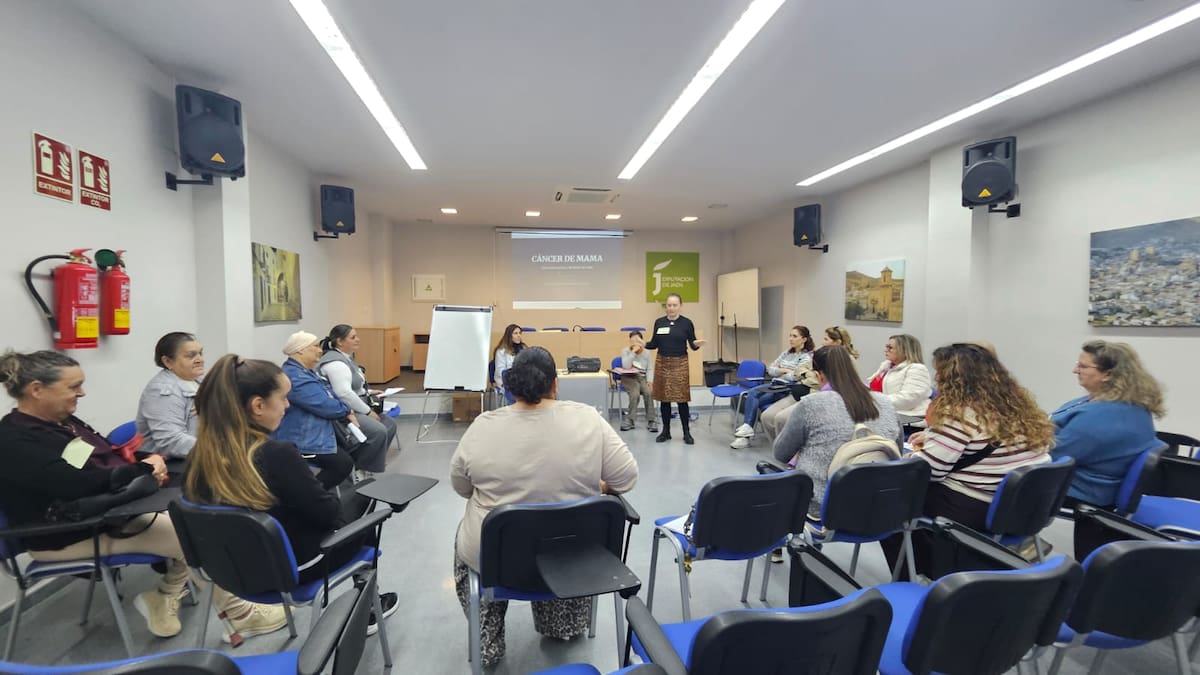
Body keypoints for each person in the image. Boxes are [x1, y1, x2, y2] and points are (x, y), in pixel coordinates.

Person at [0, 350, 285, 642]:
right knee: (197, 534)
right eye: (73, 387)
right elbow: (75, 484)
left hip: (104, 514)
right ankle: (242, 616)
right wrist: (140, 470)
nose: (81, 393)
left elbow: (106, 457)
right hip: (62, 534)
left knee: (191, 515)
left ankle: (163, 598)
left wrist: (150, 460)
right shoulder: (14, 440)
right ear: (36, 389)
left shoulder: (64, 424)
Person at [450, 347, 638, 668]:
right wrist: (599, 485)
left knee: (468, 540)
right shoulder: (587, 418)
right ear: (555, 385)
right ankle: (561, 624)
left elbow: (462, 487)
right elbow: (626, 477)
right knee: (559, 531)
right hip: (572, 555)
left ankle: (487, 640)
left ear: (513, 385)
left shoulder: (483, 426)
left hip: (498, 560)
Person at [184, 355, 398, 636]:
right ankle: (368, 606)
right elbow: (329, 515)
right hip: (292, 568)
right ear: (258, 406)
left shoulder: (199, 457)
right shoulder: (275, 455)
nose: (287, 406)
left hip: (228, 570)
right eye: (283, 399)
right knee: (366, 502)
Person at [882, 343, 1054, 577]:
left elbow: (930, 471)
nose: (937, 379)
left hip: (972, 506)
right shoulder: (1017, 407)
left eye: (940, 372)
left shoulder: (960, 412)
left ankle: (919, 577)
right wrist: (935, 437)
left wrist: (914, 455)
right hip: (1019, 505)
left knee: (888, 504)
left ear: (954, 378)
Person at [1049, 340, 1164, 559]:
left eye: (1083, 366)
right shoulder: (1123, 403)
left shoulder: (1101, 417)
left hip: (1084, 489)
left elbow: (1051, 455)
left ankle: (996, 547)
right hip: (1095, 480)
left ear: (1108, 374)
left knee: (989, 480)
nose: (1075, 370)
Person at [773, 345, 901, 516]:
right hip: (877, 508)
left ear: (819, 375)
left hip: (821, 506)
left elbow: (781, 453)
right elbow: (896, 452)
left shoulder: (811, 404)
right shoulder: (886, 403)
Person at [274, 331, 355, 488]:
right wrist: (347, 410)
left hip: (313, 433)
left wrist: (344, 409)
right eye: (316, 346)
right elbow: (327, 406)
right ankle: (308, 496)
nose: (320, 350)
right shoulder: (295, 377)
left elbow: (330, 395)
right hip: (302, 444)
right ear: (300, 350)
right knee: (342, 464)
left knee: (352, 445)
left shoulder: (305, 372)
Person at [318, 324, 395, 480]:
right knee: (378, 431)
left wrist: (369, 392)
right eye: (353, 337)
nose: (358, 340)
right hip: (344, 412)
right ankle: (360, 469)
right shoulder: (335, 363)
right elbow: (344, 393)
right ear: (340, 341)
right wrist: (368, 411)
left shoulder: (347, 358)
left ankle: (365, 462)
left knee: (390, 425)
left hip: (356, 404)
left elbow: (353, 385)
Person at [761, 325, 856, 443]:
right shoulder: (821, 353)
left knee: (781, 419)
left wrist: (807, 375)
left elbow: (826, 382)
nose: (822, 342)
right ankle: (780, 449)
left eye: (826, 339)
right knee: (767, 416)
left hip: (816, 395)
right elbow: (800, 370)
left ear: (837, 342)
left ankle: (790, 455)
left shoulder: (847, 360)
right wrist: (808, 374)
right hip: (799, 390)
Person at [731, 325, 814, 449]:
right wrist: (785, 370)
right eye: (790, 336)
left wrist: (781, 371)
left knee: (754, 397)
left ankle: (745, 436)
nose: (790, 339)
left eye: (794, 336)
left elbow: (794, 377)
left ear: (804, 339)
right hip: (775, 384)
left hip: (787, 389)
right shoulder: (786, 353)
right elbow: (771, 370)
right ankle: (746, 431)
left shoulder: (806, 357)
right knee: (753, 395)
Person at [644, 293, 706, 445]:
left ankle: (686, 432)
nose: (671, 308)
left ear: (680, 306)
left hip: (680, 363)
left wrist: (697, 345)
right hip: (663, 363)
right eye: (669, 305)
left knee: (682, 399)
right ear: (666, 306)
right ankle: (666, 431)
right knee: (664, 399)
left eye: (674, 305)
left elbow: (692, 345)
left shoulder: (686, 323)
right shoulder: (659, 322)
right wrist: (642, 344)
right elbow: (653, 344)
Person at [136, 332, 204, 467]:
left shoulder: (197, 380)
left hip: (198, 455)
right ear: (167, 361)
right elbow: (171, 442)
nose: (199, 360)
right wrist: (219, 450)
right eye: (190, 355)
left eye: (200, 353)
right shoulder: (162, 391)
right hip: (171, 465)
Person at [865, 334, 932, 420]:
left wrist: (875, 401)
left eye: (890, 348)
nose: (886, 350)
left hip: (908, 418)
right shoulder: (887, 366)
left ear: (904, 350)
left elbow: (908, 399)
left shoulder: (917, 369)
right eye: (886, 347)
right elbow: (873, 386)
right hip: (884, 413)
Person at [618, 330, 658, 432]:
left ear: (641, 341)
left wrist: (650, 381)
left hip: (642, 377)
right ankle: (630, 420)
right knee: (635, 394)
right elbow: (626, 366)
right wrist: (633, 352)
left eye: (637, 340)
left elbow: (650, 368)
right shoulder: (626, 351)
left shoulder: (647, 352)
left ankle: (651, 420)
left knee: (648, 392)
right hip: (629, 377)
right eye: (632, 340)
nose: (635, 343)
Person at [492, 324, 525, 392]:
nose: (519, 335)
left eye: (520, 333)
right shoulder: (501, 351)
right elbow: (500, 371)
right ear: (509, 336)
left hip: (521, 379)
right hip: (506, 381)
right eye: (515, 333)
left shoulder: (523, 348)